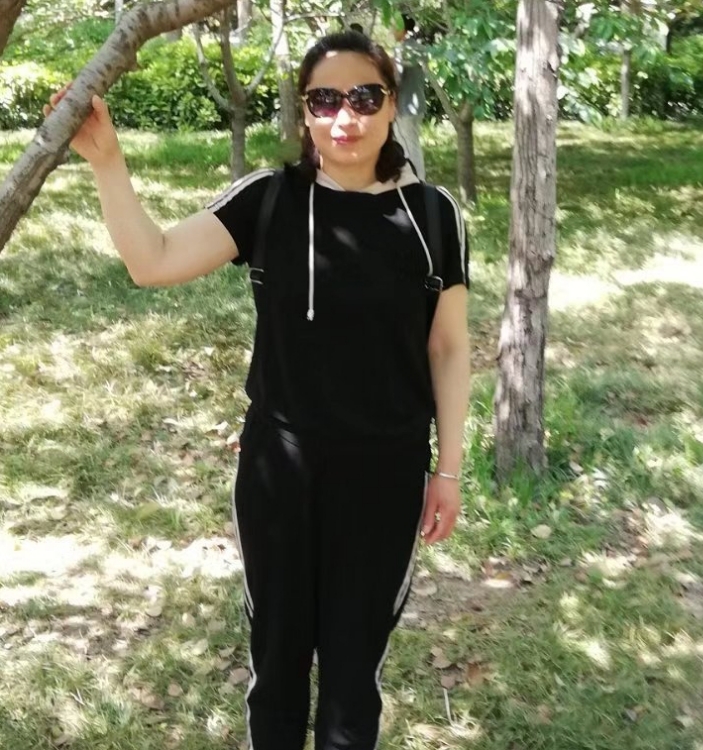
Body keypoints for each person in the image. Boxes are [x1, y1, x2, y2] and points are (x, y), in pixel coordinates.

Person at [45, 29, 470, 750]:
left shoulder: (432, 216)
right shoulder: (269, 201)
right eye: (324, 100)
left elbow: (449, 346)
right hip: (281, 470)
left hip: (386, 476)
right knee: (277, 667)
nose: (345, 117)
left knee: (353, 678)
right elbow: (153, 261)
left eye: (364, 97)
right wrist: (108, 162)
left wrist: (448, 471)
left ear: (392, 104)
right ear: (303, 111)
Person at [392, 13, 427, 180]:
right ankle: (419, 178)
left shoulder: (401, 49)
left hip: (404, 105)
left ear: (403, 29)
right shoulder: (421, 49)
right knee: (414, 144)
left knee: (406, 145)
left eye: (395, 27)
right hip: (419, 103)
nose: (392, 31)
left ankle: (414, 180)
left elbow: (397, 78)